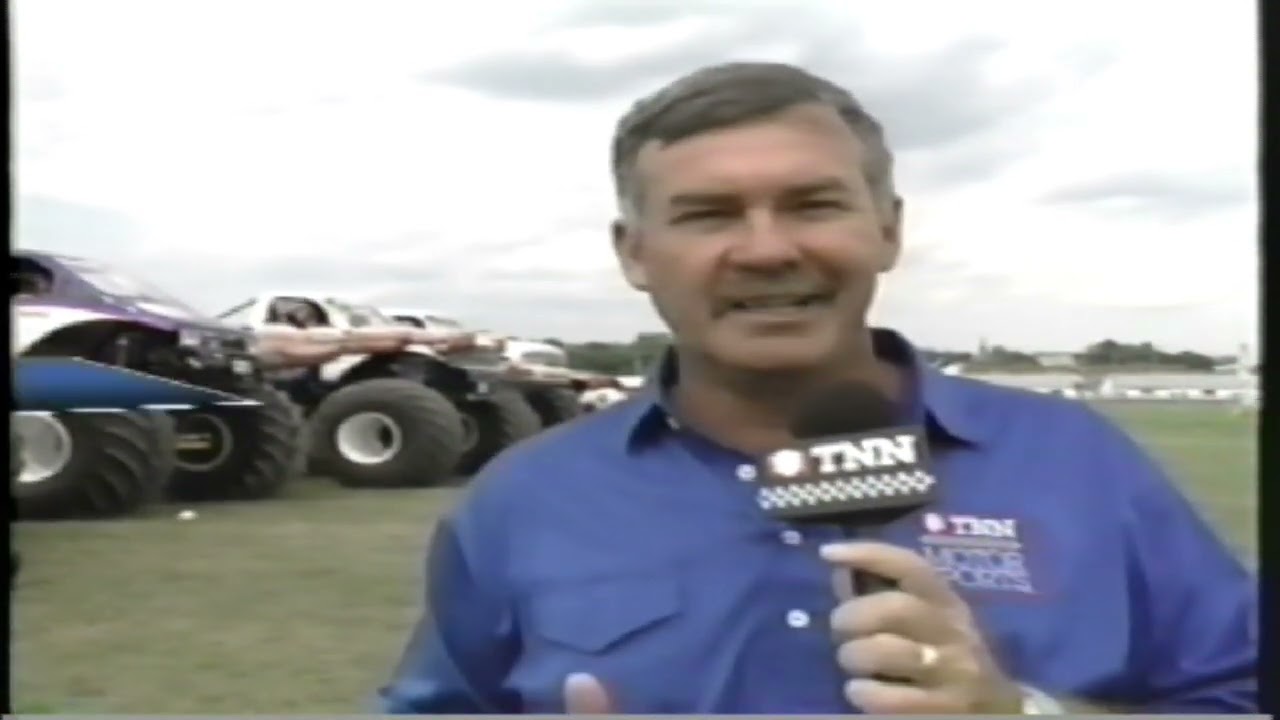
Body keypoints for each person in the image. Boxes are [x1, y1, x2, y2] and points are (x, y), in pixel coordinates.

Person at [377, 62, 1257, 714]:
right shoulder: (528, 500)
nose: (766, 249)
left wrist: (1022, 713)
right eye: (710, 214)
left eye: (812, 204)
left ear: (887, 229)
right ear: (635, 253)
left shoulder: (1077, 463)